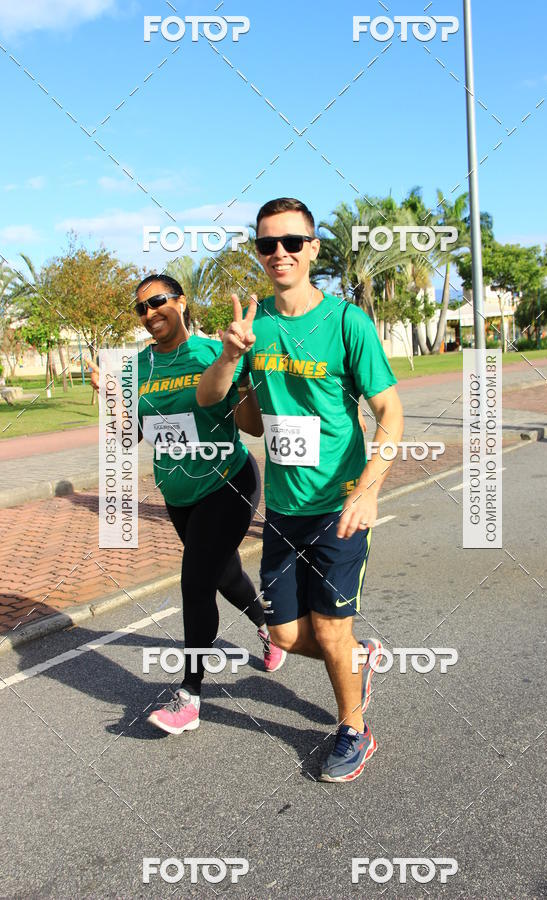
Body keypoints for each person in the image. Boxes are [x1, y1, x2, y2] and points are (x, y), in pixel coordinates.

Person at [196, 198, 404, 781]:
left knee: (332, 629)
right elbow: (228, 409)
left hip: (340, 505)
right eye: (268, 244)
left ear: (313, 248)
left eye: (292, 242)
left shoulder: (346, 323)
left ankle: (353, 730)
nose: (279, 253)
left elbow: (390, 412)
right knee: (285, 634)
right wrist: (231, 359)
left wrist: (369, 489)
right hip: (283, 509)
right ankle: (356, 659)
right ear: (258, 252)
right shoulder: (253, 327)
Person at [91, 273, 286, 736]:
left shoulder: (212, 352)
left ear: (181, 302)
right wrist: (112, 403)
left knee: (195, 583)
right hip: (178, 493)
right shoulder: (137, 367)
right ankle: (267, 626)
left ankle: (190, 695)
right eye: (141, 307)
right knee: (224, 574)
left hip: (227, 482)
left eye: (158, 301)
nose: (149, 313)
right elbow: (131, 437)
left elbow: (252, 426)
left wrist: (240, 368)